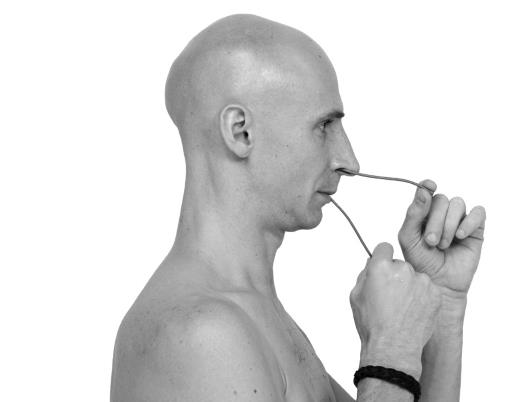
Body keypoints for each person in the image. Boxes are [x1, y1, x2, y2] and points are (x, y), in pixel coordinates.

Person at [110, 14, 486, 402]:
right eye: (324, 126)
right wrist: (390, 353)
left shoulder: (255, 316)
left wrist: (444, 305)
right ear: (241, 131)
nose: (349, 161)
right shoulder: (200, 334)